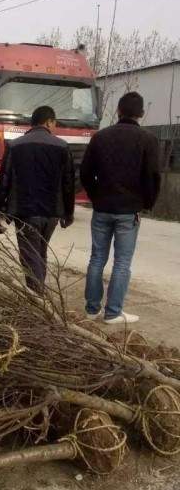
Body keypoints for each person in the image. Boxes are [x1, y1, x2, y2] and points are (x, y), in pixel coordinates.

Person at [80, 91, 161, 325]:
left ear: (118, 111)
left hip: (102, 207)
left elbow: (85, 172)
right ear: (141, 114)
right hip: (129, 210)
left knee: (97, 258)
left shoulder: (101, 137)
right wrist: (146, 203)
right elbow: (153, 177)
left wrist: (96, 196)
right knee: (122, 262)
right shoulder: (148, 140)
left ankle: (92, 309)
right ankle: (113, 312)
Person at [0, 105, 75, 294]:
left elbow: (4, 180)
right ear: (48, 122)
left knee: (30, 255)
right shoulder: (62, 147)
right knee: (40, 252)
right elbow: (68, 183)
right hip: (51, 213)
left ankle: (37, 297)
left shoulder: (15, 146)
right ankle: (39, 295)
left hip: (24, 211)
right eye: (54, 123)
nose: (54, 127)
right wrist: (68, 213)